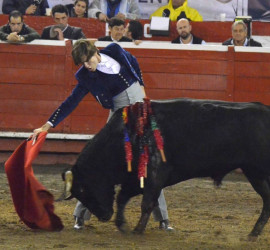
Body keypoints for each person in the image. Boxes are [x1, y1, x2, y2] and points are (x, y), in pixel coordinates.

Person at [32, 40, 174, 231]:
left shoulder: (115, 50)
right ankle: (80, 215)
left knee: (150, 161)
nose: (87, 66)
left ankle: (163, 219)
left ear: (94, 52)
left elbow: (133, 61)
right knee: (101, 163)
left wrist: (141, 84)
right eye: (83, 63)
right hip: (119, 116)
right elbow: (71, 101)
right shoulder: (85, 76)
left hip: (141, 110)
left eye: (88, 61)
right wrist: (47, 125)